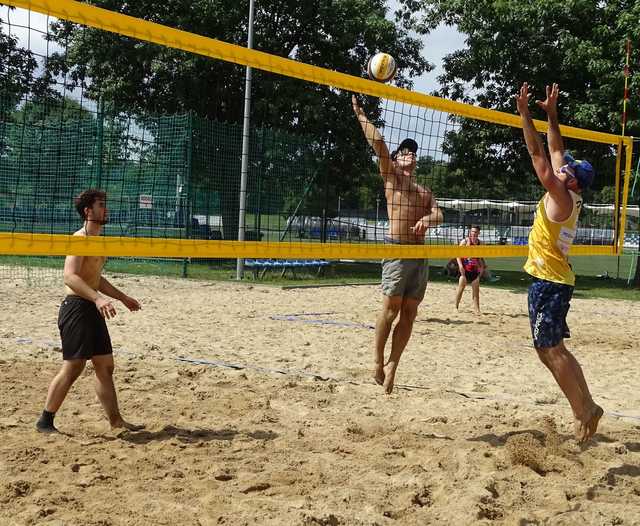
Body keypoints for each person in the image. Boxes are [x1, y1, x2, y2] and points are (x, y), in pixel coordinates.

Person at [516, 82, 603, 443]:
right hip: (555, 280)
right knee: (553, 349)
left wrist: (524, 114)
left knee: (549, 350)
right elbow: (554, 147)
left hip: (549, 282)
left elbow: (538, 155)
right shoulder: (567, 190)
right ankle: (589, 405)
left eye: (568, 170)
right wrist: (550, 114)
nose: (562, 167)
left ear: (574, 183)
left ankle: (582, 412)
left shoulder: (561, 194)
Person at [352, 95, 443, 394]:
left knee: (410, 313)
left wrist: (429, 219)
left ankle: (393, 365)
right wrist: (360, 114)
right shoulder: (390, 177)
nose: (410, 155)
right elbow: (378, 144)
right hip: (396, 250)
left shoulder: (423, 190)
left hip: (419, 255)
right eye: (404, 151)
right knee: (390, 310)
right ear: (396, 158)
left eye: (413, 153)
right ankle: (377, 359)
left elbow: (439, 213)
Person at [36, 189, 144, 433]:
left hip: (92, 307)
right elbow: (70, 276)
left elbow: (96, 278)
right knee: (73, 367)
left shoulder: (98, 241)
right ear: (88, 211)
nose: (106, 209)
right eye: (101, 205)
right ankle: (45, 420)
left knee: (105, 366)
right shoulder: (79, 239)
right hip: (76, 308)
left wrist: (122, 297)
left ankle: (116, 422)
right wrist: (98, 299)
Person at [455, 225, 486, 314]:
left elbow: (480, 257)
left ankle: (477, 310)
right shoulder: (464, 242)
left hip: (475, 270)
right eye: (472, 231)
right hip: (465, 270)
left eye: (475, 232)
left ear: (479, 233)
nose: (473, 233)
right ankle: (456, 307)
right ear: (470, 232)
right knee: (460, 289)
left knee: (476, 292)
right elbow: (458, 255)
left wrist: (482, 266)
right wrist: (460, 266)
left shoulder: (481, 243)